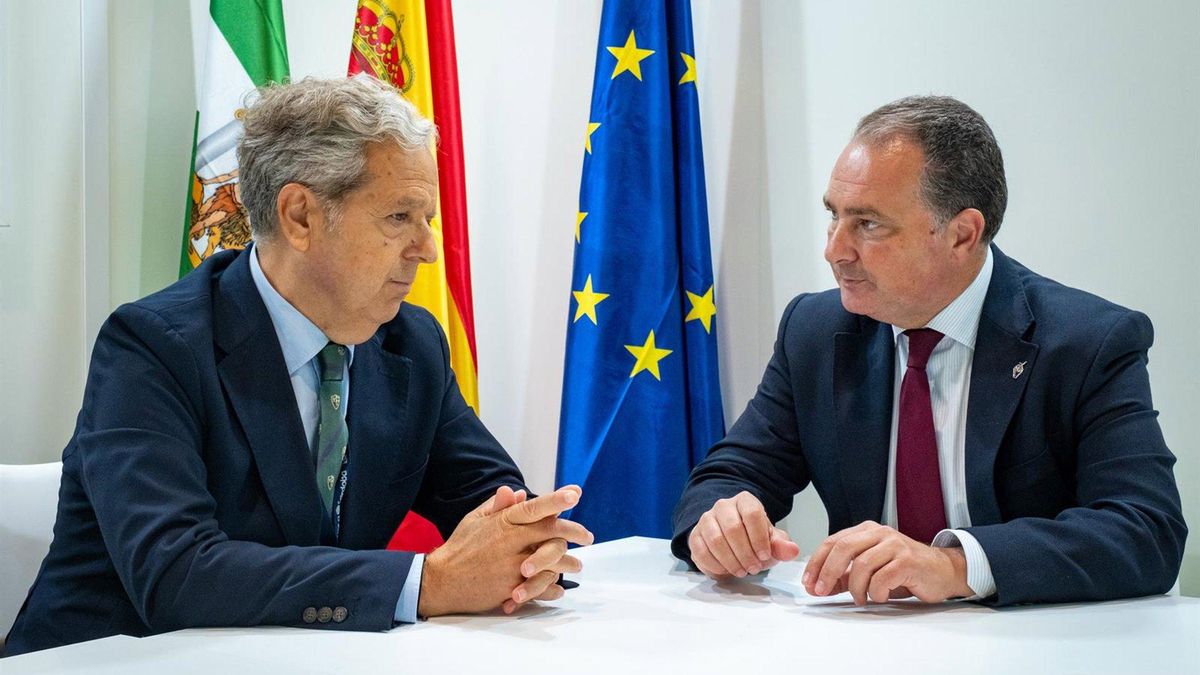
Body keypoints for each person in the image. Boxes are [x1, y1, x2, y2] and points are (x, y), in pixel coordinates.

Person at [3, 75, 591, 657]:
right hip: (109, 661)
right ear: (300, 216)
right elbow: (176, 572)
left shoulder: (411, 344)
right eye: (398, 218)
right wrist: (428, 582)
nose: (428, 248)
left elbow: (491, 500)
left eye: (427, 219)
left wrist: (526, 547)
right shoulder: (153, 347)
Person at [672, 95, 1186, 606]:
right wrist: (719, 521)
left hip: (1029, 645)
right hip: (868, 641)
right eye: (834, 216)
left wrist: (956, 565)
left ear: (963, 233)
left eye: (868, 224)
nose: (835, 249)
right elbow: (730, 473)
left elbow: (1145, 529)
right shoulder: (816, 329)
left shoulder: (1086, 341)